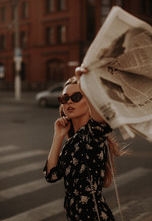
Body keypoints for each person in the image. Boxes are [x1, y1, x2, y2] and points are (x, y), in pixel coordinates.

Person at [43, 66, 122, 221]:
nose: (69, 102)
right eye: (64, 98)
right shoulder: (72, 142)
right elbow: (51, 175)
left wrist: (85, 83)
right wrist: (58, 136)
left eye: (77, 96)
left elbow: (101, 123)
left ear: (89, 100)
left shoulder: (92, 135)